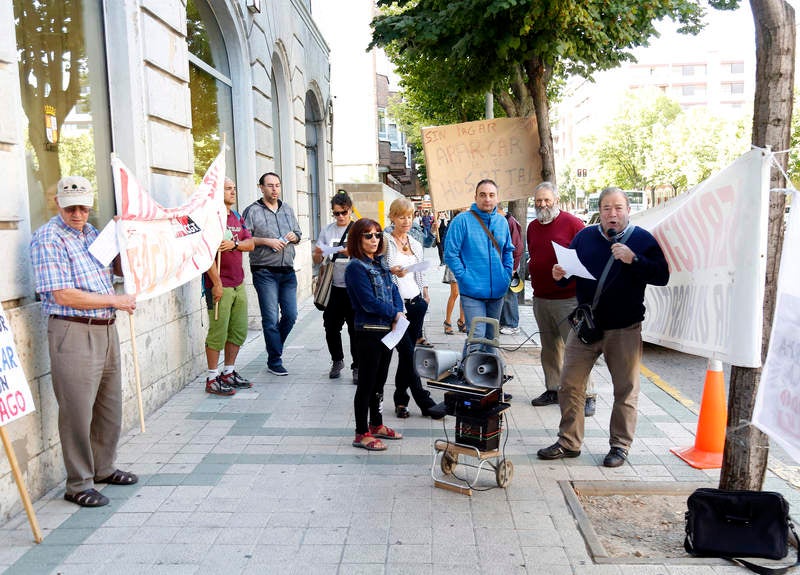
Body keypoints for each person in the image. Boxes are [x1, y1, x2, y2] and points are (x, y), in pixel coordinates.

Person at [537, 187, 669, 467]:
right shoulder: (584, 237)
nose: (613, 214)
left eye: (618, 208)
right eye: (607, 208)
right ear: (600, 211)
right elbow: (570, 272)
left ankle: (620, 446)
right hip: (586, 325)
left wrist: (634, 260)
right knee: (569, 384)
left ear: (628, 210)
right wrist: (560, 275)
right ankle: (569, 442)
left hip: (624, 328)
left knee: (625, 389)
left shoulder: (642, 240)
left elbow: (662, 275)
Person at [30, 176, 138, 508]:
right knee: (77, 409)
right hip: (73, 330)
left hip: (105, 327)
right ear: (58, 204)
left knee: (109, 405)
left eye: (83, 207)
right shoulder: (47, 238)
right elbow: (62, 293)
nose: (77, 213)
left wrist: (121, 239)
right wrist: (115, 300)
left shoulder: (91, 232)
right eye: (71, 208)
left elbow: (116, 269)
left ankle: (103, 468)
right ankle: (78, 483)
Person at [527, 182, 597, 417]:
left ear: (556, 201)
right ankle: (553, 389)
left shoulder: (573, 224)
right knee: (549, 349)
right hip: (541, 297)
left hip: (568, 298)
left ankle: (587, 395)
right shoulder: (532, 227)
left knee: (577, 349)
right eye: (538, 201)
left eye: (547, 200)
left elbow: (589, 257)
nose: (542, 205)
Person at [345, 218, 404, 451]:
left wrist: (398, 312)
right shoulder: (355, 267)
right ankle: (361, 432)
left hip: (388, 331)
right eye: (368, 235)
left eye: (377, 235)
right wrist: (394, 314)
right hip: (369, 331)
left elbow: (394, 291)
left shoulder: (380, 264)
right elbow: (368, 302)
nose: (374, 240)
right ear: (358, 239)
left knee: (379, 382)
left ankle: (376, 424)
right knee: (367, 384)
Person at [444, 179, 514, 353]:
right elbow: (450, 253)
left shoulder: (502, 222)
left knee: (492, 337)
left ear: (497, 198)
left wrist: (505, 276)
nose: (487, 199)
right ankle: (471, 374)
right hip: (472, 291)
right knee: (477, 334)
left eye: (491, 195)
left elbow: (508, 251)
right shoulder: (462, 221)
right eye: (482, 195)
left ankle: (489, 373)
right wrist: (464, 277)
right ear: (475, 197)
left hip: (497, 291)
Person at [242, 172, 302, 376]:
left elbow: (298, 233)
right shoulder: (252, 211)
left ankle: (274, 348)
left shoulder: (287, 209)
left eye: (277, 185)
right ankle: (274, 359)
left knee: (291, 315)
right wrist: (266, 241)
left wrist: (294, 236)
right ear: (261, 187)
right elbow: (245, 239)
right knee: (270, 318)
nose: (274, 189)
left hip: (287, 271)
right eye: (270, 185)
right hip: (264, 271)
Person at [384, 198, 438, 419]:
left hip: (416, 304)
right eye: (401, 216)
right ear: (392, 217)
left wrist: (425, 292)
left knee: (408, 355)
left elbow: (420, 270)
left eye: (409, 216)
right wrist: (391, 270)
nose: (406, 221)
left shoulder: (415, 242)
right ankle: (424, 400)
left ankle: (400, 400)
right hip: (397, 307)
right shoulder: (385, 241)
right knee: (407, 353)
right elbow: (380, 270)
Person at [203, 178, 255, 396]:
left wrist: (234, 244)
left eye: (234, 188)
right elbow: (205, 254)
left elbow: (250, 244)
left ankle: (229, 371)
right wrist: (216, 283)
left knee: (238, 330)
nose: (233, 192)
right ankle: (212, 377)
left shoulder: (236, 216)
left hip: (238, 283)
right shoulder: (211, 218)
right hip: (219, 285)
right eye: (227, 189)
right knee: (218, 332)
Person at [313, 191, 357, 382]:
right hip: (333, 287)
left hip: (354, 288)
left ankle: (358, 367)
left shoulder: (358, 229)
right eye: (336, 213)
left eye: (343, 212)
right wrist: (318, 253)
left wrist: (351, 252)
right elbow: (317, 259)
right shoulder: (327, 230)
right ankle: (337, 360)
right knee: (331, 327)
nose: (340, 217)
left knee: (355, 330)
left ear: (350, 211)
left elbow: (369, 255)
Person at [497, 204, 524, 335]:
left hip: (510, 264)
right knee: (504, 293)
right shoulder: (505, 221)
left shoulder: (509, 222)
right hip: (506, 264)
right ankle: (504, 322)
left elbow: (517, 247)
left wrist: (513, 268)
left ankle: (512, 324)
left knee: (509, 294)